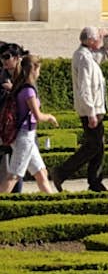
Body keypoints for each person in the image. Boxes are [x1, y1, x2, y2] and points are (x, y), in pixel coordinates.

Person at [52, 26, 108, 194]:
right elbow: (84, 88)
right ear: (91, 41)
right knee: (94, 146)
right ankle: (62, 172)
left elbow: (106, 54)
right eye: (98, 38)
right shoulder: (83, 57)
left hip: (94, 109)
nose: (100, 40)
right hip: (90, 110)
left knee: (98, 146)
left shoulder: (88, 54)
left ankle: (95, 182)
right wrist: (91, 112)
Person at [0, 54, 58, 198]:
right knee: (13, 176)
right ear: (34, 69)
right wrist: (50, 117)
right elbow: (38, 116)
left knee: (41, 173)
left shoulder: (20, 87)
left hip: (25, 136)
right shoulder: (29, 91)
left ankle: (53, 202)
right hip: (25, 136)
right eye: (39, 70)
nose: (39, 73)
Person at [0, 43, 25, 194]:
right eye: (2, 57)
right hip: (7, 126)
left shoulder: (24, 74)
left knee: (20, 164)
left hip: (20, 124)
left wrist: (13, 89)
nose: (3, 60)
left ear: (17, 58)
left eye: (6, 57)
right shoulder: (3, 76)